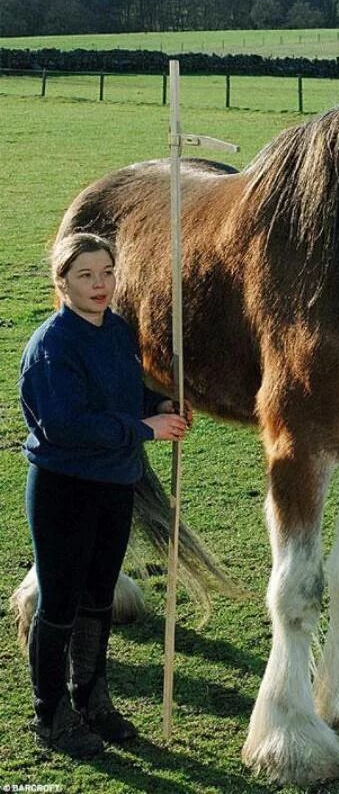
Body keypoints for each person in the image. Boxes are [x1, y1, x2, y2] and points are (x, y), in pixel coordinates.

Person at [18, 232, 188, 758]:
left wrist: (157, 401)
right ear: (61, 281)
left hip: (116, 484)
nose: (100, 285)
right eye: (86, 275)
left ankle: (90, 696)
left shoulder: (116, 332)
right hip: (65, 487)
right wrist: (144, 429)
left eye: (107, 272)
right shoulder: (51, 347)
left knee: (99, 597)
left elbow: (122, 393)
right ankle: (50, 715)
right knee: (60, 601)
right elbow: (67, 426)